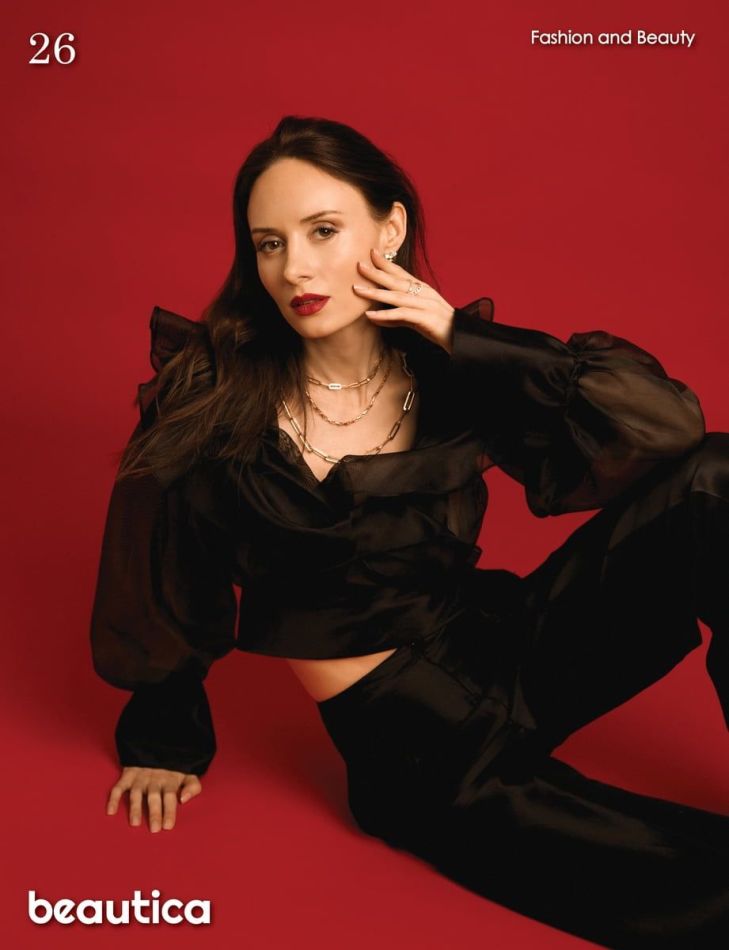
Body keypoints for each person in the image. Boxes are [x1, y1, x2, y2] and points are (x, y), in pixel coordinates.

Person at [89, 115, 729, 947]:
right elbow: (157, 565)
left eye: (323, 230)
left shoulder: (446, 369)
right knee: (692, 886)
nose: (295, 267)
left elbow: (663, 430)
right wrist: (162, 737)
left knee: (716, 477)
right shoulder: (213, 396)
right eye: (269, 243)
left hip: (512, 647)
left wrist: (461, 334)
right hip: (419, 747)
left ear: (388, 229)